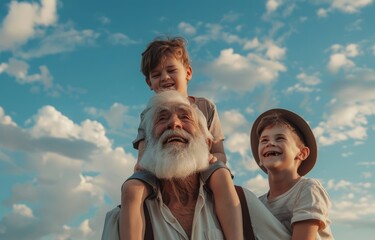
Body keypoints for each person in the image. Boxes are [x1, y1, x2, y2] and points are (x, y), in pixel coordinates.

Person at [102, 90, 291, 239]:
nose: (174, 123)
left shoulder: (242, 203)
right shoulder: (119, 221)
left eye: (185, 117)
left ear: (207, 143)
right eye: (162, 118)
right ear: (148, 145)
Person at [120, 36, 242, 240]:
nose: (165, 77)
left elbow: (219, 151)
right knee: (131, 190)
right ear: (149, 83)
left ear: (188, 73)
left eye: (171, 70)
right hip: (158, 166)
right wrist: (145, 166)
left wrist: (213, 160)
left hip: (201, 163)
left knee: (222, 176)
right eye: (156, 74)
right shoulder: (148, 114)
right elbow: (142, 155)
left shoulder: (205, 107)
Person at [250, 108, 334, 239]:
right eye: (264, 140)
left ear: (302, 153)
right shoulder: (257, 204)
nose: (270, 143)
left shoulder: (307, 190)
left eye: (280, 138)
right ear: (260, 157)